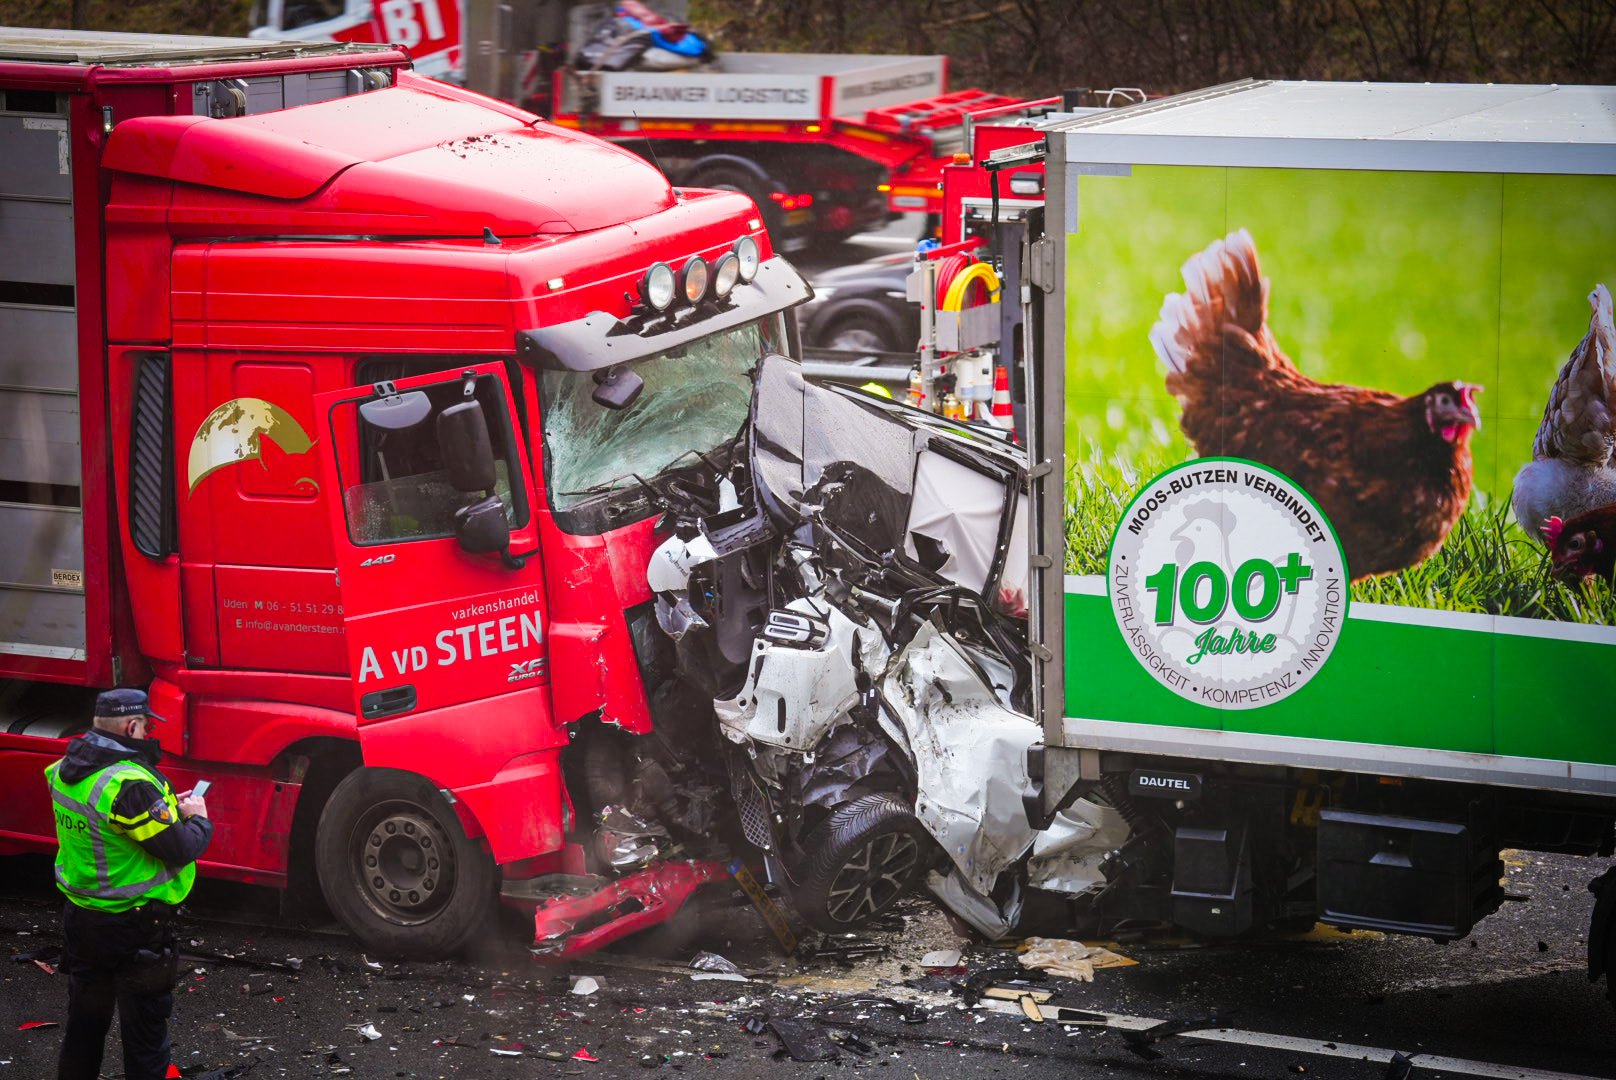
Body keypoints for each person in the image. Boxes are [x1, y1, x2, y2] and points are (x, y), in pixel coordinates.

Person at [47, 688, 213, 1080]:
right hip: (134, 928)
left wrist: (168, 810)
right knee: (145, 1039)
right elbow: (179, 847)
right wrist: (198, 817)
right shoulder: (130, 784)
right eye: (146, 727)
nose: (147, 734)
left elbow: (111, 832)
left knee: (84, 1028)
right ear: (132, 725)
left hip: (84, 921)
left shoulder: (63, 770)